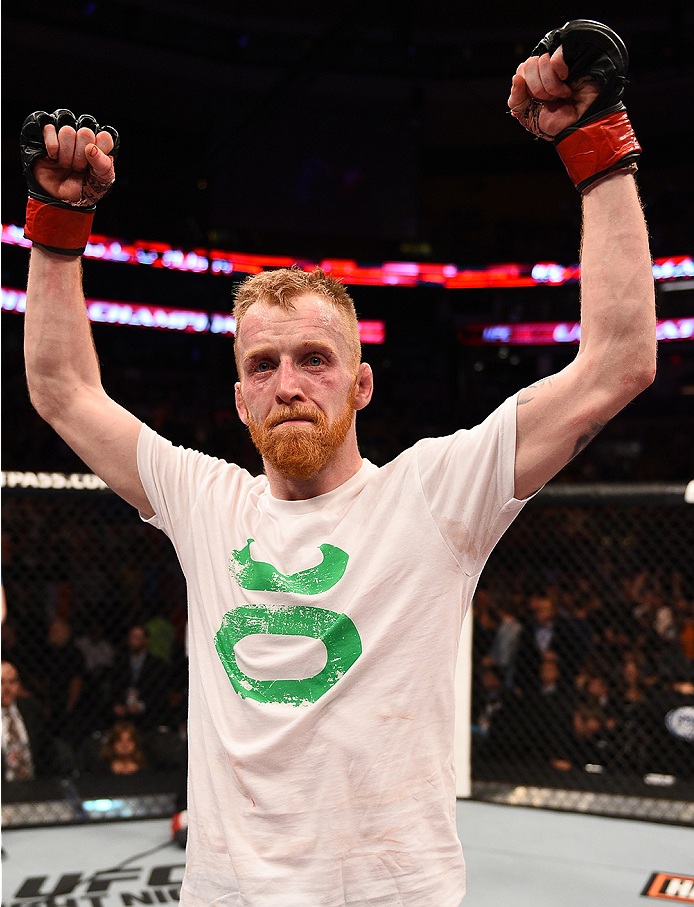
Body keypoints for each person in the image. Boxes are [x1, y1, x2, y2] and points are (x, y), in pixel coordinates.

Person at [20, 20, 656, 906]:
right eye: (262, 365)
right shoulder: (205, 501)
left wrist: (601, 141)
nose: (288, 384)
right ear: (239, 399)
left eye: (314, 359)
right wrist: (57, 230)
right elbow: (59, 386)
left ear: (361, 385)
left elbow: (620, 358)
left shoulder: (436, 492)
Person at [1, 660, 59, 782]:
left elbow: (46, 748)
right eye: (1, 682)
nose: (7, 688)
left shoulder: (30, 708)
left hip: (34, 783)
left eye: (12, 682)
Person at [110, 624, 169, 730]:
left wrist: (141, 705)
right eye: (131, 637)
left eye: (137, 637)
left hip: (149, 714)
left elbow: (160, 691)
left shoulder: (157, 664)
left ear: (146, 640)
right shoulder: (120, 662)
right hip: (123, 710)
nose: (133, 640)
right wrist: (118, 704)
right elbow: (114, 686)